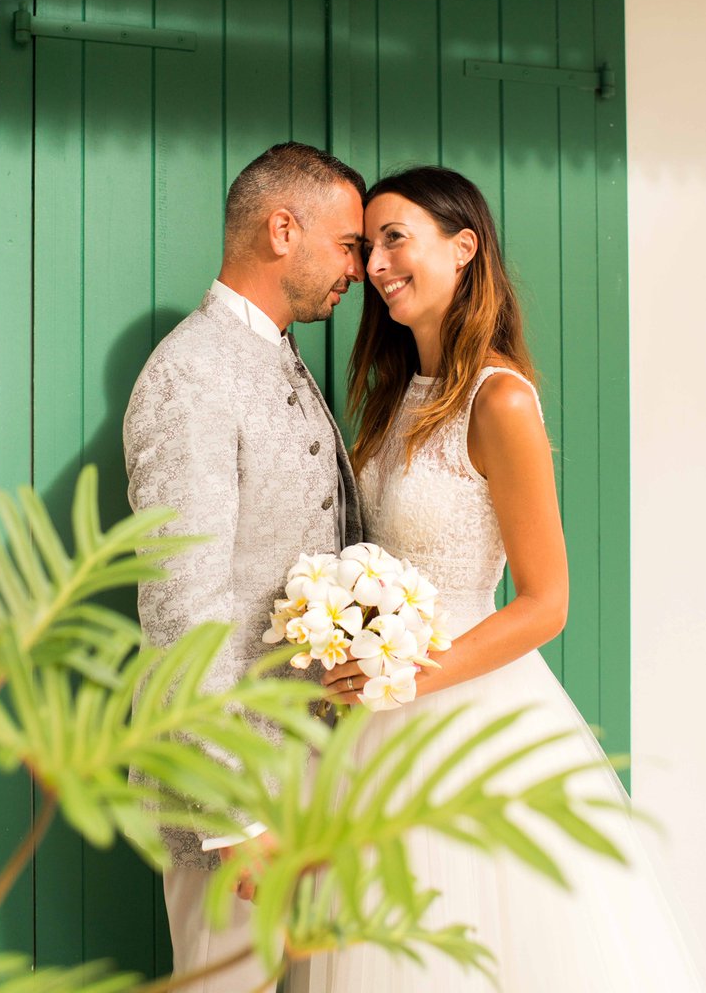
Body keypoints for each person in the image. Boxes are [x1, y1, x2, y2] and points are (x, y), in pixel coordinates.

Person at [302, 166, 705, 991]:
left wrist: (409, 676)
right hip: (373, 723)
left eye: (394, 239)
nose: (374, 264)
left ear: (464, 248)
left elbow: (546, 602)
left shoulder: (500, 401)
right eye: (366, 245)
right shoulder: (389, 397)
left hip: (463, 714)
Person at [123, 141, 364, 993]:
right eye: (347, 246)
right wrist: (229, 820)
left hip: (307, 774)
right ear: (282, 228)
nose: (357, 270)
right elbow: (181, 610)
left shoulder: (277, 352)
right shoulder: (189, 373)